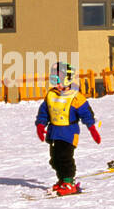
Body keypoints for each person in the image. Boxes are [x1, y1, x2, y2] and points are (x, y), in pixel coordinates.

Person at [36, 62, 99, 195]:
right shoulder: (51, 95)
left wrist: (92, 128)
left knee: (65, 157)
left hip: (69, 133)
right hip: (54, 133)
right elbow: (44, 112)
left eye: (59, 81)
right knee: (54, 159)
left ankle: (69, 182)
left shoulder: (75, 97)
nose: (57, 85)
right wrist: (41, 125)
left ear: (68, 79)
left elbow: (86, 113)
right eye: (54, 81)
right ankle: (62, 180)